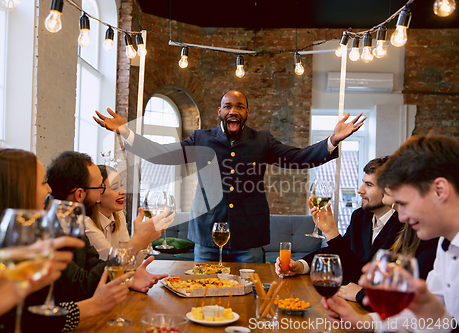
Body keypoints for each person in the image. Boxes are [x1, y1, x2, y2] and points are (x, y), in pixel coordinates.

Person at [94, 90, 366, 262]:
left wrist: (331, 140)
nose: (233, 110)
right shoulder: (201, 138)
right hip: (206, 236)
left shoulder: (263, 141)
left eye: (239, 106)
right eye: (227, 106)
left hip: (249, 237)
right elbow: (163, 154)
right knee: (203, 293)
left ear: (246, 112)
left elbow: (297, 158)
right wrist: (125, 132)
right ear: (220, 112)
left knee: (247, 298)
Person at [0, 148, 129, 332]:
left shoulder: (29, 232)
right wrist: (93, 305)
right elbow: (29, 319)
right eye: (42, 183)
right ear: (19, 187)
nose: (49, 189)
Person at [321, 135, 459, 333]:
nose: (401, 217)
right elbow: (438, 319)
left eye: (403, 204)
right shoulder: (446, 244)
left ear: (439, 190)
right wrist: (366, 322)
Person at [46, 151, 172, 302]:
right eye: (100, 187)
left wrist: (129, 278)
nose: (102, 193)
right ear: (79, 194)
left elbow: (95, 266)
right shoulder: (48, 230)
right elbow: (82, 286)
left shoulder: (72, 219)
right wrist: (138, 242)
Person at [275, 157, 403, 284]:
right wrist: (300, 266)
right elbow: (338, 252)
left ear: (389, 189)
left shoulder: (403, 227)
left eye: (369, 185)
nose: (360, 190)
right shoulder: (360, 216)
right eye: (363, 182)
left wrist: (331, 232)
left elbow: (360, 274)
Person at [309, 192, 438, 311]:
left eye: (403, 205)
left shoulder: (422, 236)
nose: (401, 217)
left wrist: (362, 294)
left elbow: (406, 298)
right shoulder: (360, 216)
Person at [85, 165, 173, 260]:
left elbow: (131, 263)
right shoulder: (86, 225)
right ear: (97, 194)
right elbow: (113, 264)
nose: (123, 191)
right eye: (115, 188)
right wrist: (141, 238)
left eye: (121, 185)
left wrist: (147, 239)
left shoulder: (118, 216)